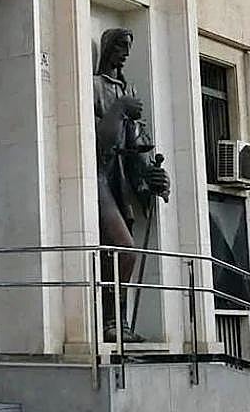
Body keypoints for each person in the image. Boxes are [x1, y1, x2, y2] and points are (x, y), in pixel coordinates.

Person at [93, 27, 169, 343]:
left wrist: (154, 178)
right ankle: (110, 322)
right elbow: (99, 143)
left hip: (120, 180)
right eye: (120, 46)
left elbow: (138, 143)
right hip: (98, 177)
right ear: (108, 48)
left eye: (129, 47)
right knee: (124, 250)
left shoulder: (129, 89)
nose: (124, 52)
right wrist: (120, 108)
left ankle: (118, 322)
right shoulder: (95, 87)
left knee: (117, 254)